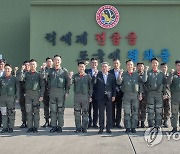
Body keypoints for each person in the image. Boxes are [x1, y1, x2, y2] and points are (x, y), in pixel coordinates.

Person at [42, 55, 70, 133]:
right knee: (53, 110)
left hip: (61, 92)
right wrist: (44, 69)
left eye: (58, 60)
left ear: (60, 61)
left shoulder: (64, 71)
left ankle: (60, 126)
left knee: (60, 110)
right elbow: (43, 77)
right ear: (53, 62)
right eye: (55, 60)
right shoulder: (50, 71)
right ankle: (53, 126)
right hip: (52, 92)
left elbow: (68, 82)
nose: (57, 62)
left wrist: (67, 91)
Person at [18, 59, 45, 133]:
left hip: (36, 94)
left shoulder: (39, 74)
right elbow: (20, 79)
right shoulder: (26, 74)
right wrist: (21, 70)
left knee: (36, 111)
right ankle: (30, 127)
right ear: (29, 66)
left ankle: (36, 127)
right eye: (31, 64)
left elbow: (42, 85)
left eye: (34, 64)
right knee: (29, 111)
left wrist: (41, 95)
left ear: (36, 65)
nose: (32, 66)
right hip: (28, 95)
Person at [117, 60, 142, 133]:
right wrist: (120, 75)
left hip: (135, 96)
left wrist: (140, 94)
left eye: (131, 65)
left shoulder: (136, 75)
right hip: (126, 96)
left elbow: (140, 85)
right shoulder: (124, 74)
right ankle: (127, 127)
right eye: (128, 65)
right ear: (126, 66)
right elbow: (118, 82)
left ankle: (133, 127)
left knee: (135, 112)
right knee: (127, 112)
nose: (130, 66)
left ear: (133, 66)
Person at [92, 62, 116, 134]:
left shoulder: (112, 76)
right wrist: (95, 75)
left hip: (109, 97)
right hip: (100, 97)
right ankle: (101, 127)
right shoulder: (98, 75)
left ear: (108, 68)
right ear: (101, 68)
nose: (104, 68)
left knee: (109, 113)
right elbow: (94, 83)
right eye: (103, 67)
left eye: (105, 67)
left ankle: (108, 128)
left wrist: (113, 95)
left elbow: (114, 87)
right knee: (101, 113)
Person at [142, 58, 166, 128]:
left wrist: (164, 93)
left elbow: (164, 84)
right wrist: (145, 71)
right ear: (151, 64)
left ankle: (158, 124)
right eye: (153, 63)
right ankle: (151, 124)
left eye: (156, 63)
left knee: (158, 110)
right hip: (150, 93)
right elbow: (144, 80)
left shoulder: (161, 74)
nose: (154, 64)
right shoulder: (148, 72)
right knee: (150, 109)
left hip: (159, 94)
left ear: (158, 64)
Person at [70, 61, 92, 133]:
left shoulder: (88, 76)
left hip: (85, 97)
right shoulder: (75, 76)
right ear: (78, 68)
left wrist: (90, 96)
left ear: (84, 67)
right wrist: (70, 77)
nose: (81, 68)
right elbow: (70, 84)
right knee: (77, 113)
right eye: (80, 67)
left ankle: (84, 127)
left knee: (85, 113)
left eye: (82, 67)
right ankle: (78, 128)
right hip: (77, 98)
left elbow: (90, 87)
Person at [0, 64, 20, 133]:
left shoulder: (14, 79)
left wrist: (17, 97)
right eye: (6, 69)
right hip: (2, 98)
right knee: (4, 113)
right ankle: (5, 127)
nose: (7, 70)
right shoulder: (1, 79)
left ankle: (11, 127)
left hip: (11, 98)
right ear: (4, 70)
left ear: (11, 70)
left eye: (8, 69)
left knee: (11, 113)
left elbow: (17, 88)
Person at [15, 60, 30, 128]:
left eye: (28, 65)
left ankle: (30, 122)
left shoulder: (32, 73)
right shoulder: (20, 73)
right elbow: (19, 79)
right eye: (25, 65)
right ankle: (24, 122)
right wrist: (21, 70)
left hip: (29, 94)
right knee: (23, 109)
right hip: (22, 94)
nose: (27, 67)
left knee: (30, 109)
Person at [109, 59, 123, 128]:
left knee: (119, 109)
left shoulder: (123, 72)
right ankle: (112, 123)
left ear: (119, 64)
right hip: (112, 93)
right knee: (111, 109)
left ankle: (118, 123)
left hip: (120, 93)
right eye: (114, 63)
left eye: (117, 63)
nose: (116, 65)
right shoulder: (110, 72)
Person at [85, 58, 99, 128]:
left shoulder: (100, 72)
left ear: (97, 64)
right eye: (93, 63)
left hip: (97, 94)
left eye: (95, 63)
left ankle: (95, 123)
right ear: (91, 63)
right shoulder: (87, 71)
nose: (94, 64)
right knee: (88, 109)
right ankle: (89, 123)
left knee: (96, 109)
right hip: (88, 93)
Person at [167, 60, 180, 133]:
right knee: (174, 113)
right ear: (175, 66)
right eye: (178, 65)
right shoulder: (173, 74)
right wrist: (171, 74)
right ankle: (174, 127)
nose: (179, 67)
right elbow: (168, 83)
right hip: (175, 97)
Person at [41, 57, 53, 127]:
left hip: (52, 91)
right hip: (45, 91)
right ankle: (46, 121)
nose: (49, 63)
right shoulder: (43, 70)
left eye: (50, 61)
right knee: (46, 107)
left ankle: (52, 121)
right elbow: (41, 77)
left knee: (53, 107)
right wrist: (43, 69)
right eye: (48, 61)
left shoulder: (53, 70)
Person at [137, 62, 147, 128]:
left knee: (143, 108)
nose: (140, 68)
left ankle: (142, 122)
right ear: (137, 67)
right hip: (137, 94)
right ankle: (137, 122)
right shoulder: (135, 74)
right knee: (136, 108)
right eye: (139, 66)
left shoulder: (146, 74)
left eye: (142, 66)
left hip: (144, 94)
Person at [160, 62, 171, 128]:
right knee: (159, 109)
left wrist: (168, 94)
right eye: (163, 67)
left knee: (167, 109)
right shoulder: (158, 76)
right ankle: (160, 121)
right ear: (160, 68)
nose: (164, 69)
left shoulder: (170, 76)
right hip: (160, 95)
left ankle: (165, 121)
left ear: (167, 68)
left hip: (167, 95)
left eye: (165, 67)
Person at [0, 59, 6, 127]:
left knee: (3, 108)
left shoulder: (7, 72)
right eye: (0, 64)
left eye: (2, 64)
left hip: (4, 93)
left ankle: (4, 122)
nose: (1, 65)